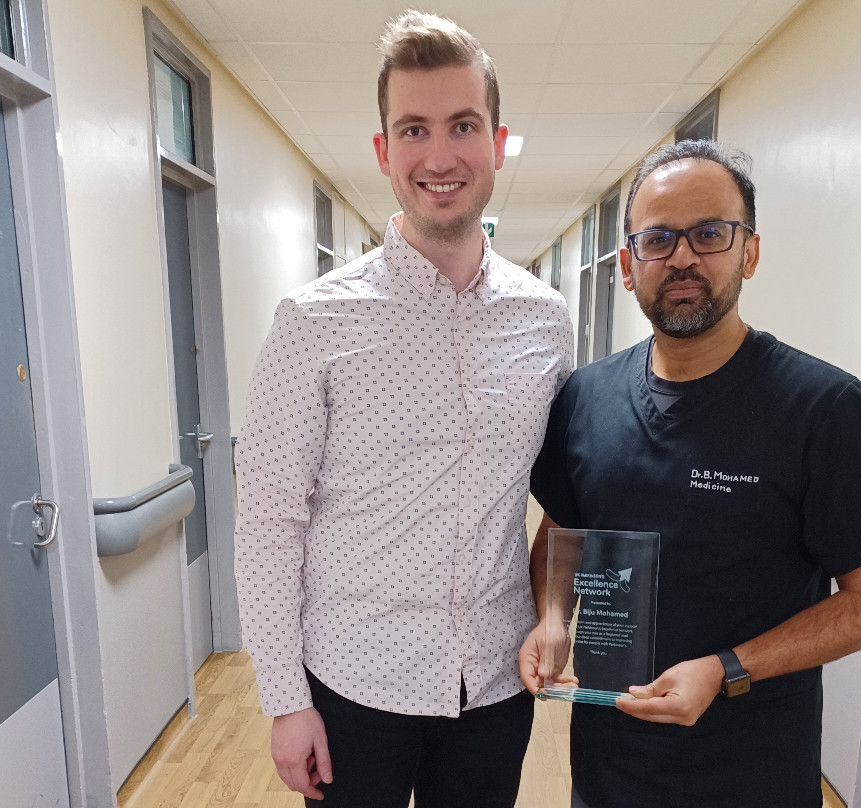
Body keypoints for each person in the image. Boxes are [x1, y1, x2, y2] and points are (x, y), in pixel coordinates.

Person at [519, 139, 861, 808]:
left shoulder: (821, 407)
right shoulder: (586, 396)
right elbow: (562, 533)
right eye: (658, 239)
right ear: (628, 267)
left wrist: (725, 669)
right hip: (610, 760)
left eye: (709, 233)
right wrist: (550, 618)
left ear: (748, 251)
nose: (683, 257)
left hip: (752, 767)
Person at [234, 10, 573, 808]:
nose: (441, 155)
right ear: (385, 151)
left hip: (493, 688)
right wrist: (286, 700)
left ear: (495, 139)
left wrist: (557, 617)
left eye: (463, 124)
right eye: (413, 129)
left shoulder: (546, 318)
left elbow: (564, 496)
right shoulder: (313, 322)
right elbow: (270, 519)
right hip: (354, 685)